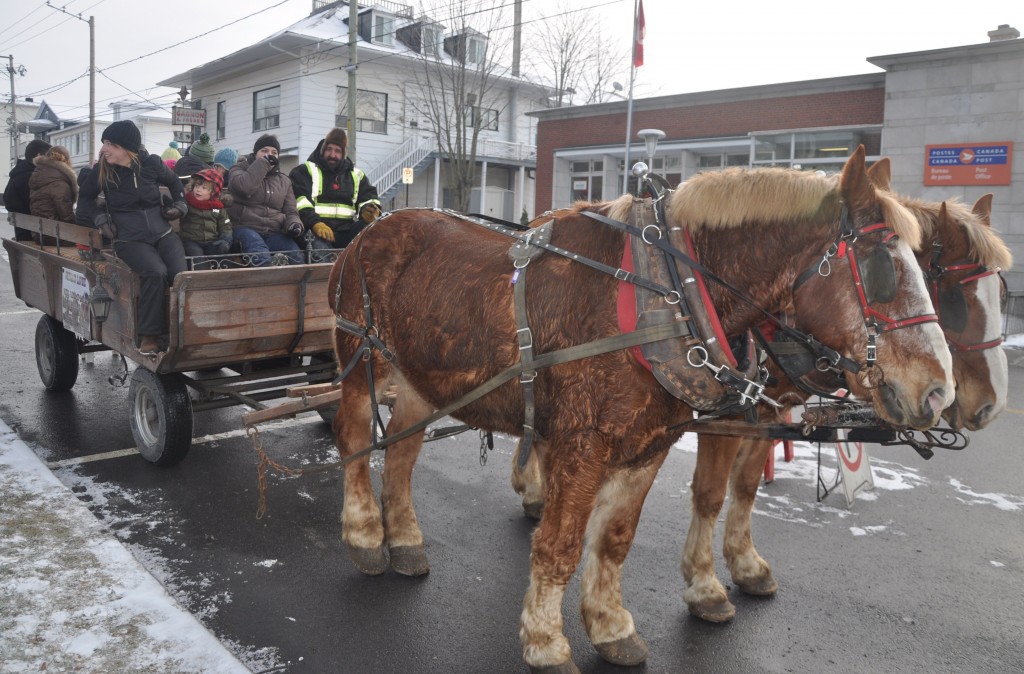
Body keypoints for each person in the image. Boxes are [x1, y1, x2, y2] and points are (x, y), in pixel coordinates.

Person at [76, 120, 188, 356]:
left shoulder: (151, 164)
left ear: (127, 148)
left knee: (181, 276)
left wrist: (179, 205)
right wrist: (100, 220)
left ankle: (182, 331)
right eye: (104, 143)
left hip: (163, 233)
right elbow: (84, 203)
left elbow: (175, 183)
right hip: (128, 238)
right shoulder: (102, 171)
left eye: (110, 144)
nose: (104, 149)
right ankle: (149, 335)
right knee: (155, 272)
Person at [289, 127, 381, 254]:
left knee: (376, 242)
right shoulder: (304, 171)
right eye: (329, 149)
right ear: (322, 150)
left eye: (337, 151)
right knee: (323, 256)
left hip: (346, 230)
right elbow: (300, 200)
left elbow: (368, 196)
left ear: (344, 154)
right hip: (314, 231)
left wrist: (368, 209)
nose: (332, 155)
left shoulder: (357, 175)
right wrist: (315, 223)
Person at [227, 134, 304, 266]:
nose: (270, 155)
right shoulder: (238, 169)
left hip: (273, 231)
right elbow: (245, 187)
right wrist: (263, 163)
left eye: (274, 152)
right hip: (245, 228)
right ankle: (266, 284)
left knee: (296, 257)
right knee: (260, 256)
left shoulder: (284, 180)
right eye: (264, 151)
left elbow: (290, 210)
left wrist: (294, 224)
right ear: (255, 153)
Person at [4, 139, 52, 241]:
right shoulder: (31, 177)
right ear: (38, 156)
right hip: (34, 237)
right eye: (48, 157)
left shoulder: (17, 174)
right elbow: (38, 207)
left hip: (22, 234)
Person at [179, 168, 232, 259]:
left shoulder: (218, 207)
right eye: (196, 186)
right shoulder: (188, 202)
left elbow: (226, 226)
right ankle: (200, 270)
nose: (198, 190)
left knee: (223, 256)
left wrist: (225, 239)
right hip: (191, 241)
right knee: (197, 255)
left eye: (204, 188)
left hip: (211, 241)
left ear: (213, 192)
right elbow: (180, 211)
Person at [29, 145, 78, 225]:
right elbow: (66, 216)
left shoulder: (38, 177)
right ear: (67, 160)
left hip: (39, 230)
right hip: (54, 233)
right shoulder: (60, 184)